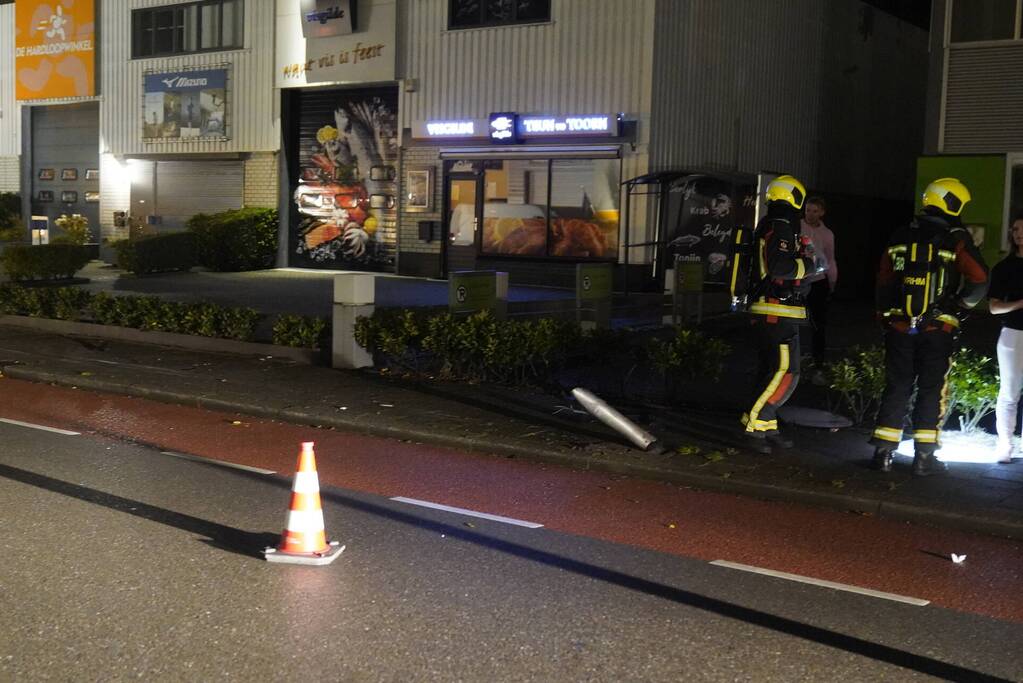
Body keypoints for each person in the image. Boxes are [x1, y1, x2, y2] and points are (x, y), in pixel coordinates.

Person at [870, 178, 989, 475]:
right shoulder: (955, 238)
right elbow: (979, 279)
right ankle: (923, 458)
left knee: (897, 386)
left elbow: (883, 279)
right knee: (931, 390)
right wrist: (959, 306)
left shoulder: (900, 234)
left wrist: (885, 316)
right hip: (938, 329)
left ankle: (883, 453)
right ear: (953, 204)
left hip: (898, 326)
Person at [741, 174, 824, 454]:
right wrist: (809, 266)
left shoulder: (769, 224)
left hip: (768, 308)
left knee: (769, 371)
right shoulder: (782, 226)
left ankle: (766, 424)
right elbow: (780, 267)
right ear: (794, 198)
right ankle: (755, 424)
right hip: (776, 309)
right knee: (788, 372)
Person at [989, 214, 1023, 464]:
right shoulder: (1004, 268)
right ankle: (1005, 444)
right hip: (1013, 333)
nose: (1018, 233)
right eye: (1015, 229)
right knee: (1009, 392)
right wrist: (1020, 304)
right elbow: (993, 307)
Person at [801, 196, 838, 368]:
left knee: (818, 323)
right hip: (797, 279)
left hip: (818, 280)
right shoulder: (798, 227)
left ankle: (818, 362)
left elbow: (830, 259)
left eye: (815, 211)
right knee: (795, 320)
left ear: (822, 212)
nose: (811, 214)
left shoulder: (827, 234)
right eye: (808, 210)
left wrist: (832, 280)